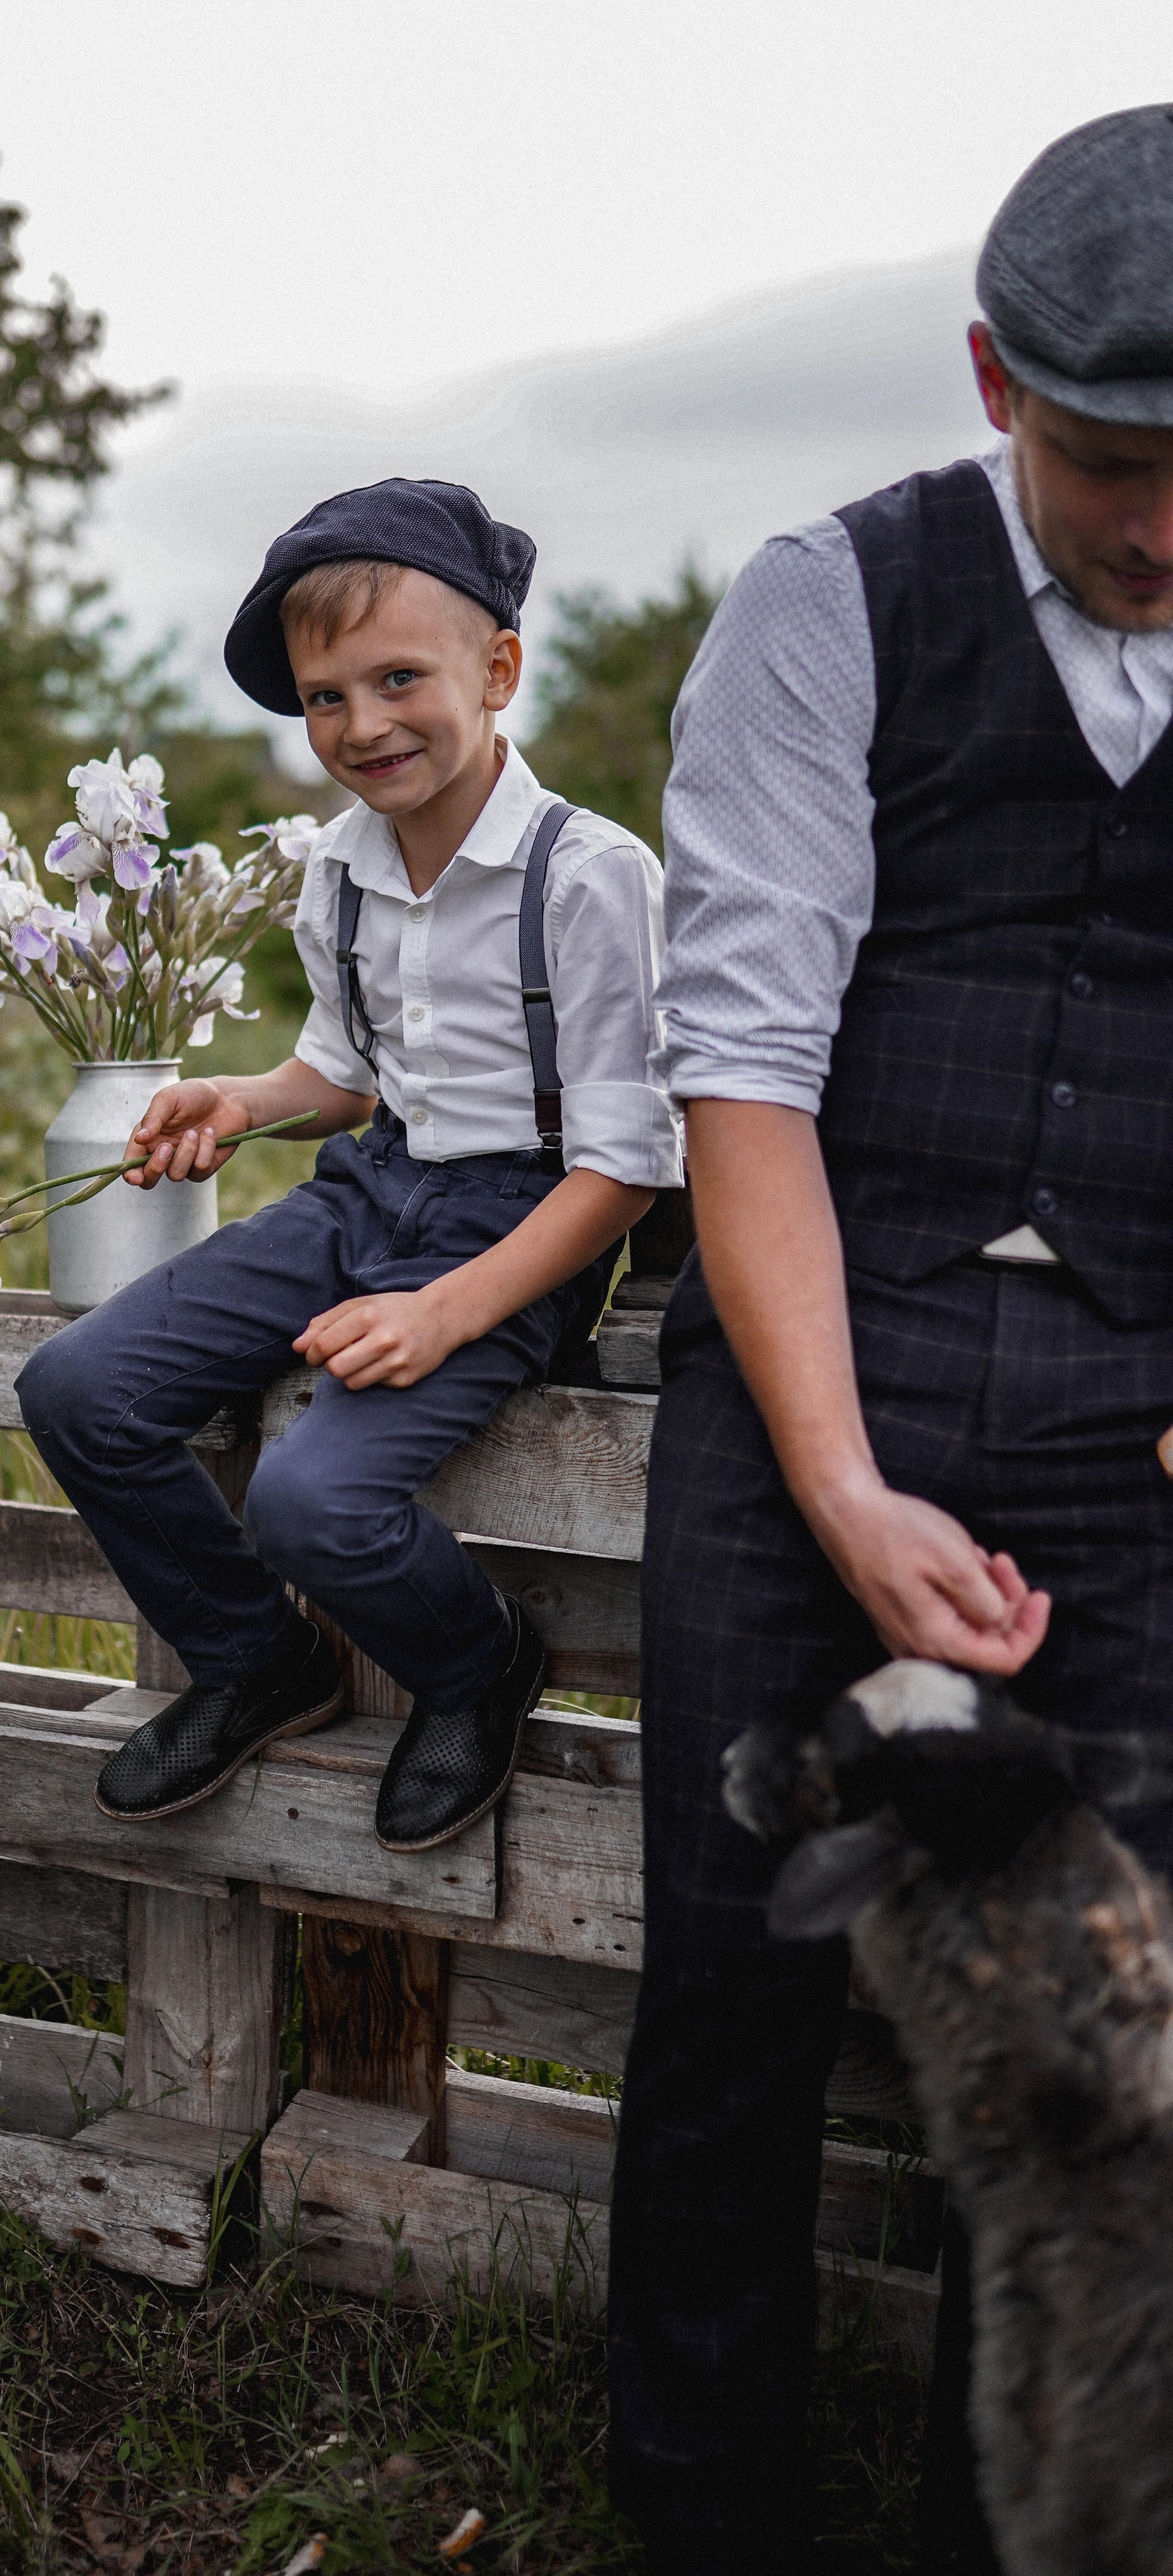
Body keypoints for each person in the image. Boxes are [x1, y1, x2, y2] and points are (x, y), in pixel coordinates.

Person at [605, 106, 1173, 2575]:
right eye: (1110, 461)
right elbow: (744, 1069)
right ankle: (700, 2521)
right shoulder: (827, 603)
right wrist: (839, 1480)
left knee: (1089, 2052)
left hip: (1128, 1426)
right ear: (990, 381)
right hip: (806, 1378)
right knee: (733, 2003)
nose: (1162, 529)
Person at [19, 478, 681, 1852]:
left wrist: (445, 1309)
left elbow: (624, 1164)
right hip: (366, 1192)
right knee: (78, 1387)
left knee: (311, 1497)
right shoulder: (338, 863)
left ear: (496, 668)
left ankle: (471, 1666)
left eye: (398, 679)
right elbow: (347, 1072)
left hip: (524, 1222)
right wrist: (243, 1099)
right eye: (326, 697)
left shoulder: (586, 876)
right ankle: (259, 1661)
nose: (362, 726)